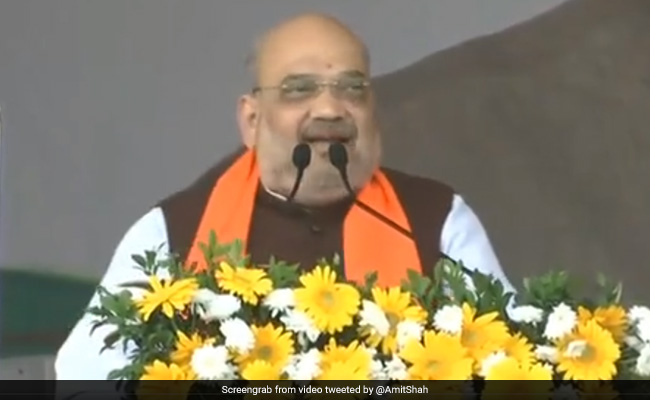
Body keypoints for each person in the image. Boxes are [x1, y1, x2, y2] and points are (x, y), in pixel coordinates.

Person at [54, 13, 515, 379]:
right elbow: (83, 378)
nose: (330, 108)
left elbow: (514, 363)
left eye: (352, 88)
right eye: (299, 90)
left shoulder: (435, 219)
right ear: (252, 120)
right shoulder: (173, 232)